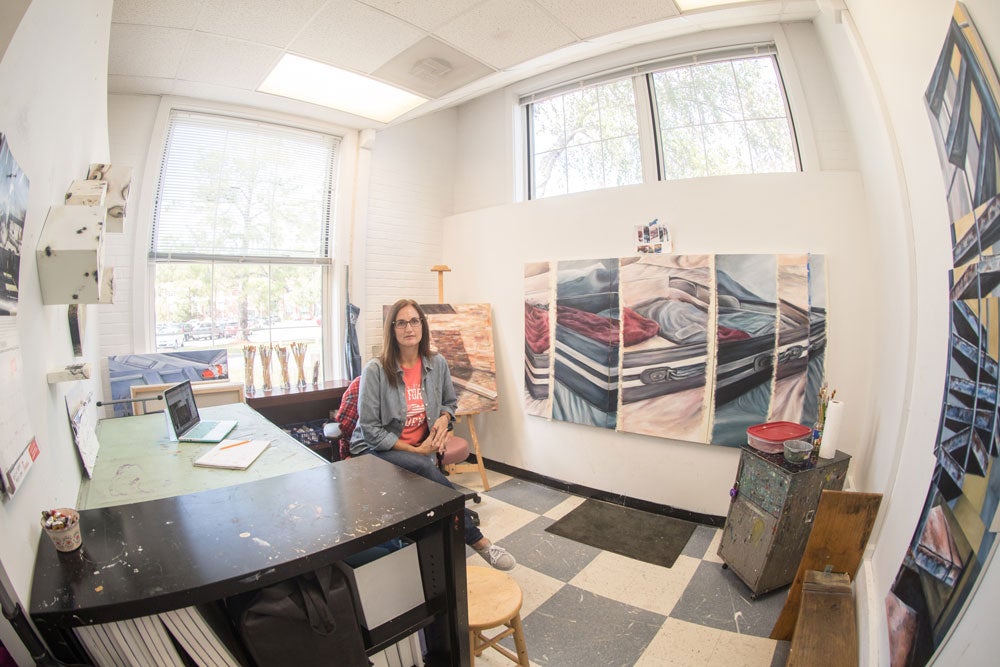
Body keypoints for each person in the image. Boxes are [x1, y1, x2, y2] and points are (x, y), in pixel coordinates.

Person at [350, 298, 516, 570]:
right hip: (373, 451)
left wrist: (444, 418)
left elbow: (450, 403)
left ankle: (438, 554)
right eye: (401, 322)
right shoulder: (376, 371)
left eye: (414, 321)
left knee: (426, 477)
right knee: (422, 468)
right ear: (392, 330)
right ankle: (480, 542)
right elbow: (370, 431)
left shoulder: (436, 363)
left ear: (422, 326)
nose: (408, 328)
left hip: (419, 447)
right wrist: (417, 451)